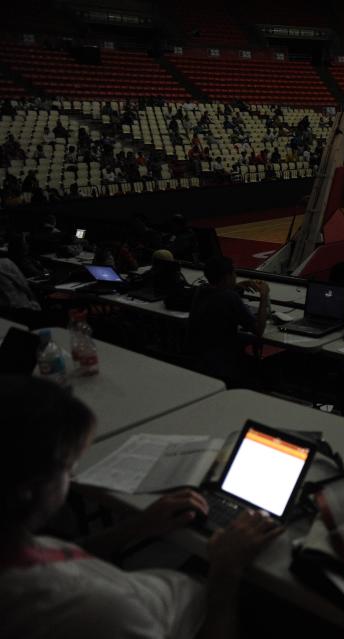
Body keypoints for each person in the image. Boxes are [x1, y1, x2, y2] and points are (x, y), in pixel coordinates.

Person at [0, 376, 283, 639]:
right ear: (28, 490)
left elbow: (62, 553)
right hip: (200, 613)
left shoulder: (11, 537)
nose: (73, 475)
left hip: (160, 590)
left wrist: (137, 526)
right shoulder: (93, 611)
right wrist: (225, 574)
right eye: (68, 467)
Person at [189, 256, 270, 386]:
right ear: (227, 276)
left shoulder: (201, 290)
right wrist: (264, 295)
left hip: (203, 356)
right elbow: (259, 330)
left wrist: (235, 286)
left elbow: (218, 296)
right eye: (234, 273)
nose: (235, 276)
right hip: (224, 361)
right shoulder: (230, 297)